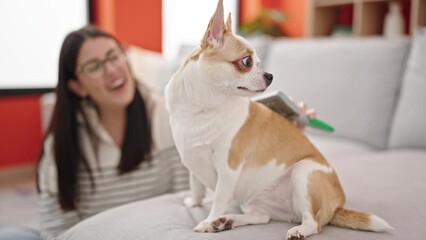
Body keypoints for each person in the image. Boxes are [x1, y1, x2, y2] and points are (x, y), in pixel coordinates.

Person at [0, 25, 315, 240]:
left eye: (114, 56)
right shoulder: (63, 145)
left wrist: (280, 134)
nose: (112, 69)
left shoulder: (174, 114)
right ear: (76, 86)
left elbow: (212, 183)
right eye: (94, 66)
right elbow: (56, 229)